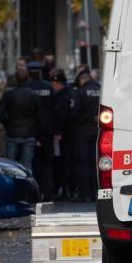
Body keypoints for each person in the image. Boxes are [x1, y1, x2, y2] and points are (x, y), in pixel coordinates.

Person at [0, 67, 40, 172]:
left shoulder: (9, 94)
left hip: (12, 133)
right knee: (27, 167)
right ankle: (26, 188)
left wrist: (7, 124)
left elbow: (0, 113)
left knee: (10, 167)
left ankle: (10, 187)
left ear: (15, 79)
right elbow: (39, 114)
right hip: (29, 133)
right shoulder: (33, 94)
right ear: (28, 79)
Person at [27, 61, 55, 201]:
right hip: (48, 131)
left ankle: (35, 194)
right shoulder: (49, 88)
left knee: (34, 165)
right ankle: (49, 193)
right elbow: (55, 110)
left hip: (31, 132)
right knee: (48, 164)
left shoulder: (27, 88)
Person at [71, 68, 100, 202]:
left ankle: (85, 194)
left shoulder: (80, 92)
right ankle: (96, 192)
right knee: (95, 162)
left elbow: (73, 113)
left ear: (82, 80)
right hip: (98, 130)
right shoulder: (100, 89)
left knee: (82, 163)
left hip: (82, 131)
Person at [50, 69, 74, 200]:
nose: (54, 87)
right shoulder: (70, 94)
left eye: (55, 85)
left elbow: (60, 117)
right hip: (70, 135)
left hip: (63, 136)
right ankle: (68, 189)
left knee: (63, 164)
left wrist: (58, 132)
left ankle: (65, 190)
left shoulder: (61, 97)